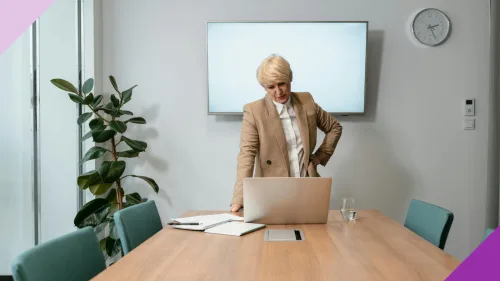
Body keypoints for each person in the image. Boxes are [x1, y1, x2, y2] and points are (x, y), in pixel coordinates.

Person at [230, 54, 343, 212]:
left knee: (314, 235)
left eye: (282, 83)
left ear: (290, 78)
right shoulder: (254, 111)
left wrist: (319, 156)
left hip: (307, 187)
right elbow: (246, 155)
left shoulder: (307, 102)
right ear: (264, 87)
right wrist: (239, 197)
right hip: (272, 192)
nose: (278, 92)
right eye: (271, 87)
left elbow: (334, 127)